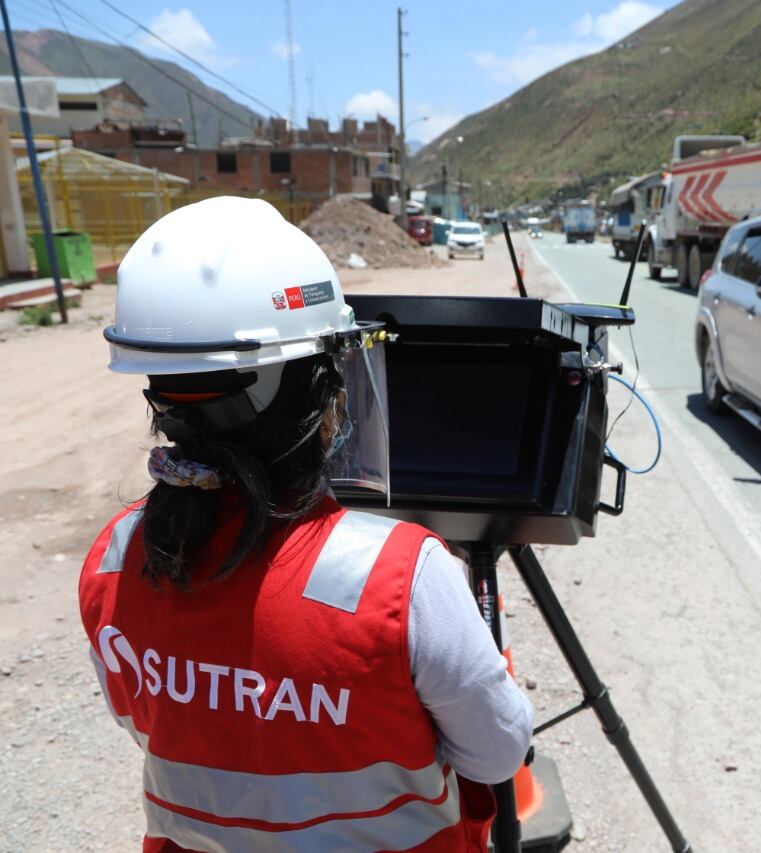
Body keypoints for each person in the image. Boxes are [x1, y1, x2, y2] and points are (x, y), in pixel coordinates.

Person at [78, 196, 532, 852]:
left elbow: (141, 717)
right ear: (320, 388)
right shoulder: (401, 580)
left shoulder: (115, 557)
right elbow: (496, 755)